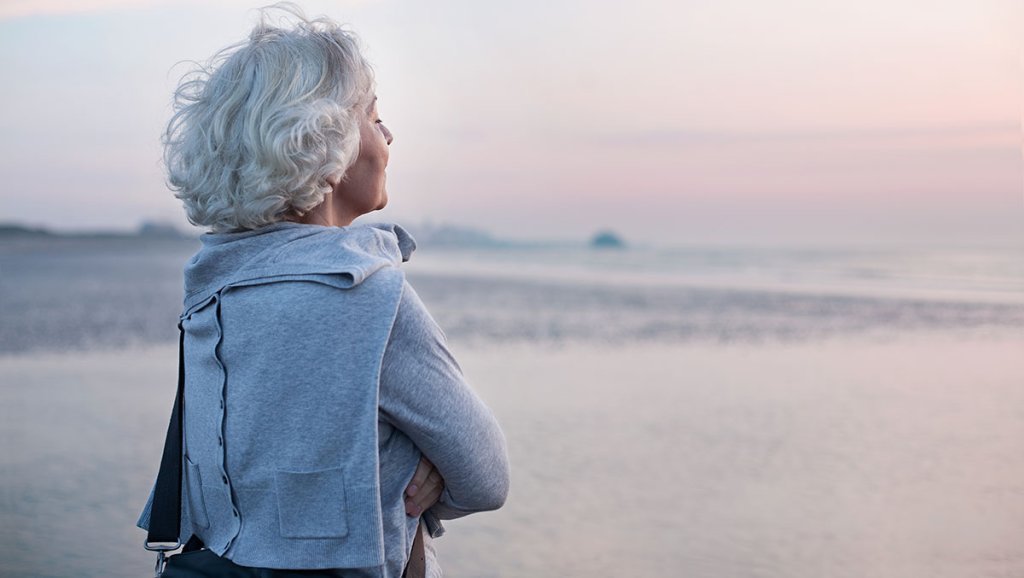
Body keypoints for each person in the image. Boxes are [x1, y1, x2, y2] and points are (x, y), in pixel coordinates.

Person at [135, 5, 511, 577]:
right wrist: (423, 481)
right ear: (323, 139)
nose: (388, 134)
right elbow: (486, 476)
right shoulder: (367, 293)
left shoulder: (213, 288)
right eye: (374, 115)